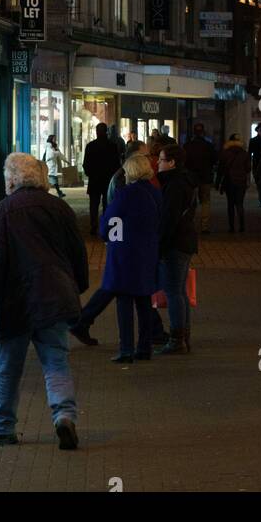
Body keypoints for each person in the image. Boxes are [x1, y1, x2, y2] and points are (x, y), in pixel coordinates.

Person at [0, 152, 89, 448]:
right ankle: (64, 416)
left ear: (13, 178)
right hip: (54, 296)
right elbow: (78, 253)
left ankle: (2, 428)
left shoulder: (2, 212)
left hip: (15, 302)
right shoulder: (60, 208)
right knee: (56, 361)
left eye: (5, 176)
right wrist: (76, 286)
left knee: (7, 367)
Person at [71, 140, 166, 348]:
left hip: (125, 248)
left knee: (116, 288)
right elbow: (118, 216)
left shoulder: (129, 184)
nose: (150, 159)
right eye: (145, 156)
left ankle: (86, 323)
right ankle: (144, 339)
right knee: (132, 291)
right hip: (130, 249)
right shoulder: (128, 184)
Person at [99, 150, 163, 365]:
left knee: (124, 303)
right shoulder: (155, 193)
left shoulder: (125, 193)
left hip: (125, 255)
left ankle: (126, 348)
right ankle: (144, 347)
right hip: (147, 253)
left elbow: (110, 220)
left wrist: (106, 234)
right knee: (145, 302)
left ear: (131, 172)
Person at [155, 143, 198, 355]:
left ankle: (177, 338)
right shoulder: (185, 181)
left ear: (171, 163)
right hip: (185, 242)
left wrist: (160, 246)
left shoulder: (174, 185)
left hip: (175, 244)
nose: (157, 163)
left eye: (161, 160)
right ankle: (183, 335)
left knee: (173, 291)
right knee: (179, 291)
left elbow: (168, 220)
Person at [82, 122, 121, 236]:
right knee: (107, 204)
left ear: (96, 132)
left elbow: (86, 164)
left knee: (93, 204)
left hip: (94, 180)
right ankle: (106, 226)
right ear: (106, 132)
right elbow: (116, 164)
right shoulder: (112, 146)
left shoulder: (90, 146)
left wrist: (90, 174)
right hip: (108, 180)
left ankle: (93, 226)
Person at [183, 123, 216, 234]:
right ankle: (204, 226)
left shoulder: (187, 146)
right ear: (203, 133)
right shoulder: (209, 146)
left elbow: (184, 162)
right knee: (205, 202)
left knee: (191, 202)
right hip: (206, 177)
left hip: (191, 178)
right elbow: (214, 161)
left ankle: (189, 225)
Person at [216, 134, 250, 233]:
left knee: (230, 204)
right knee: (239, 203)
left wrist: (217, 183)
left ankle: (231, 227)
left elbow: (220, 169)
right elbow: (248, 169)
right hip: (241, 181)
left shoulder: (225, 153)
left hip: (229, 181)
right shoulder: (245, 153)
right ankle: (242, 226)